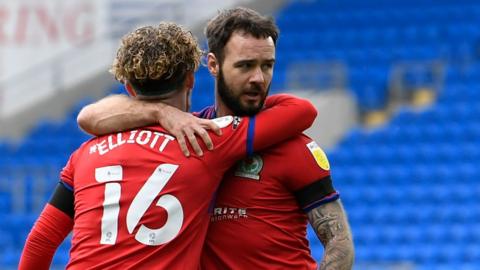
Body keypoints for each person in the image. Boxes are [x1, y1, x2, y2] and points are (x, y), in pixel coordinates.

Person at [19, 22, 317, 269]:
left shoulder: (85, 155)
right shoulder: (206, 140)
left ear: (129, 89)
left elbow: (40, 242)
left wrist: (153, 111)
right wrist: (162, 112)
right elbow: (301, 111)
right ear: (190, 80)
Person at [77, 7, 354, 270]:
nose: (258, 78)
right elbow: (90, 116)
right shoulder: (189, 136)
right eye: (245, 66)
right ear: (213, 65)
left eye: (267, 65)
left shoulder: (294, 146)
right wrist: (159, 111)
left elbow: (338, 241)